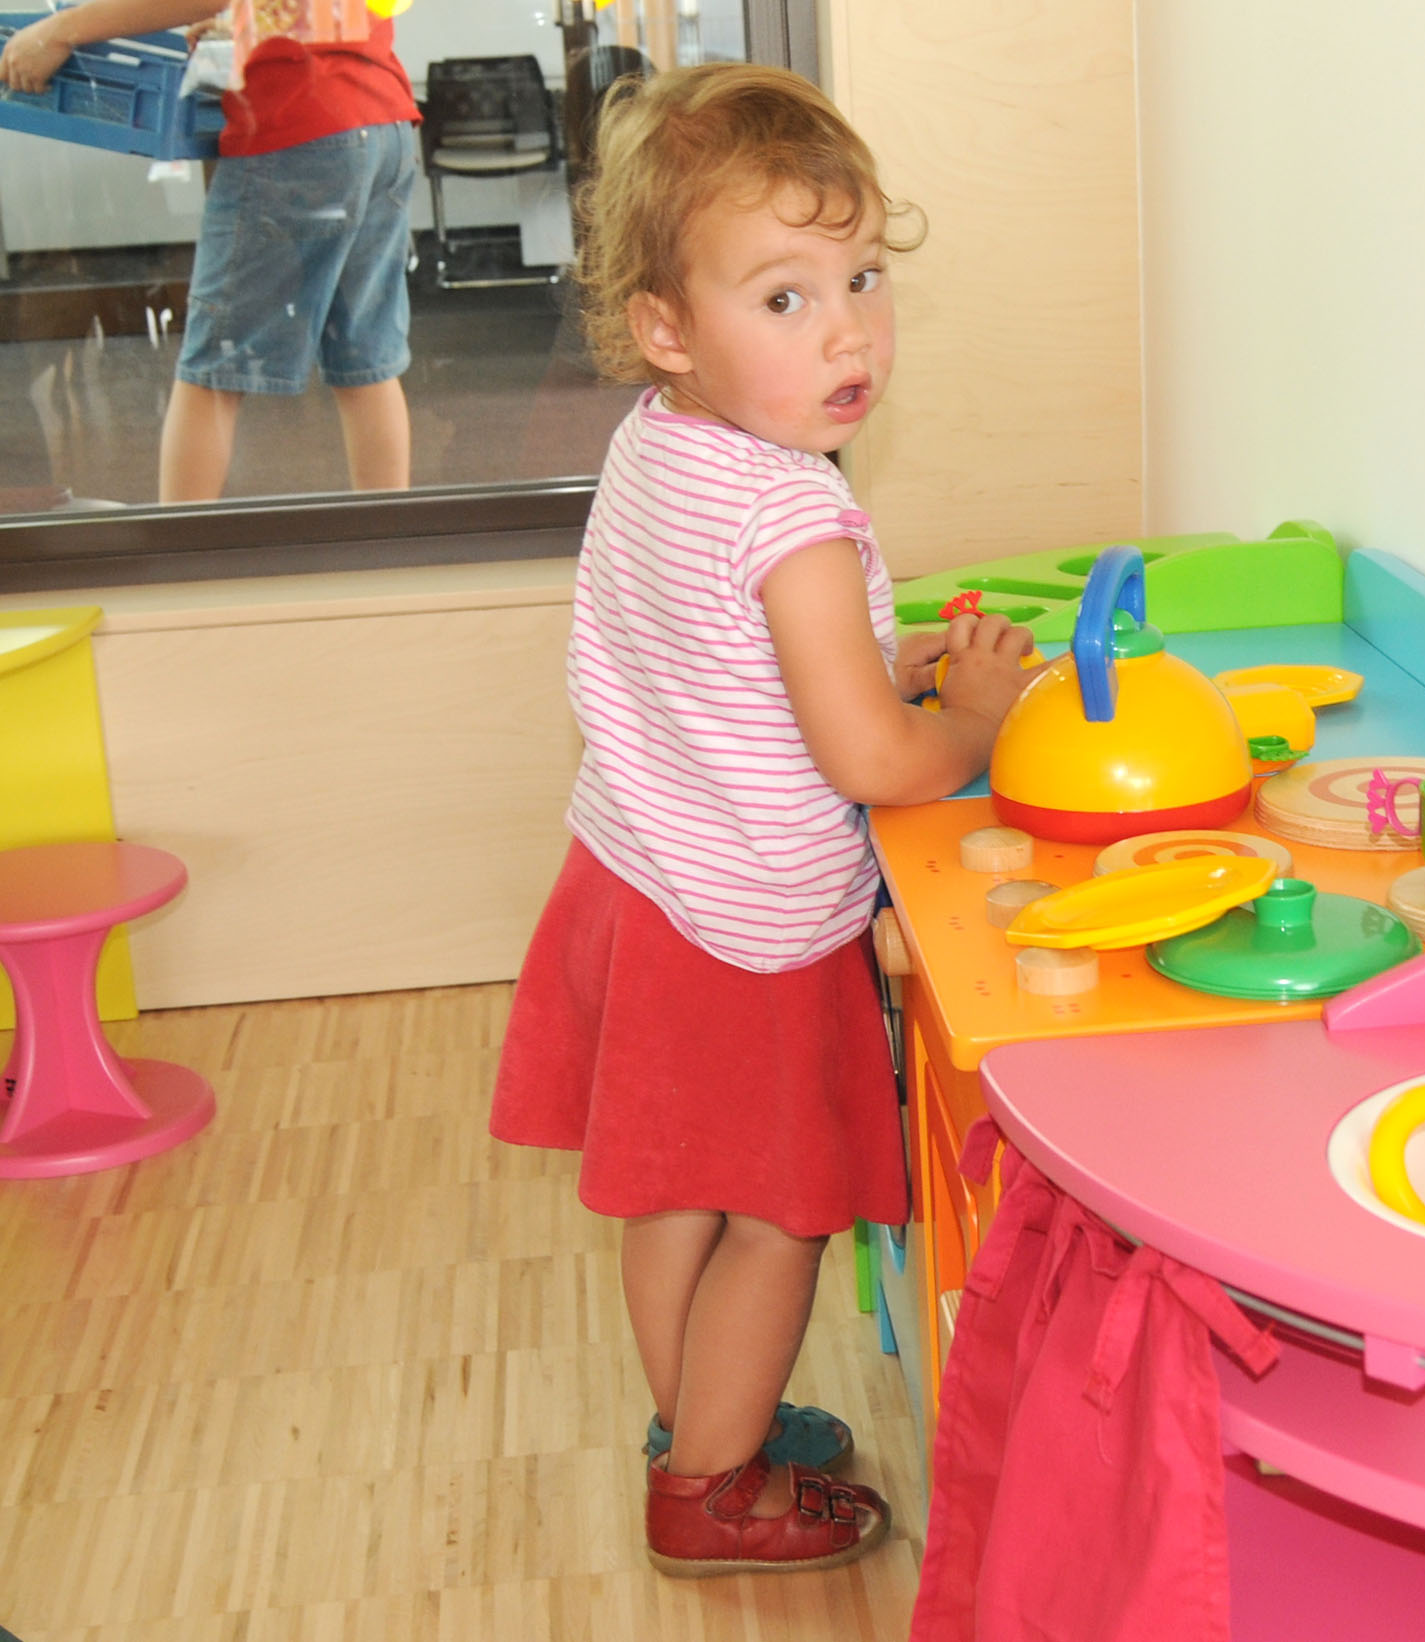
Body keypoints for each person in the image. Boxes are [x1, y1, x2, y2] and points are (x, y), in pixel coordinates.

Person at [487, 63, 1034, 1577]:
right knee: (780, 1219)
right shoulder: (796, 514)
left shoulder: (660, 446)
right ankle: (713, 1490)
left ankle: (695, 1417)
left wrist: (880, 656)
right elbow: (873, 759)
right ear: (668, 327)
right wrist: (970, 717)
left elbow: (720, 656)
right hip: (746, 935)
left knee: (673, 1191)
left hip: (630, 884)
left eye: (860, 278)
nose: (847, 330)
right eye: (784, 298)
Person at [0, 0, 417, 502]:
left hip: (299, 127)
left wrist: (59, 31)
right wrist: (243, 20)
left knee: (213, 373)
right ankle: (387, 534)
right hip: (383, 120)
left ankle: (178, 544)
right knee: (365, 362)